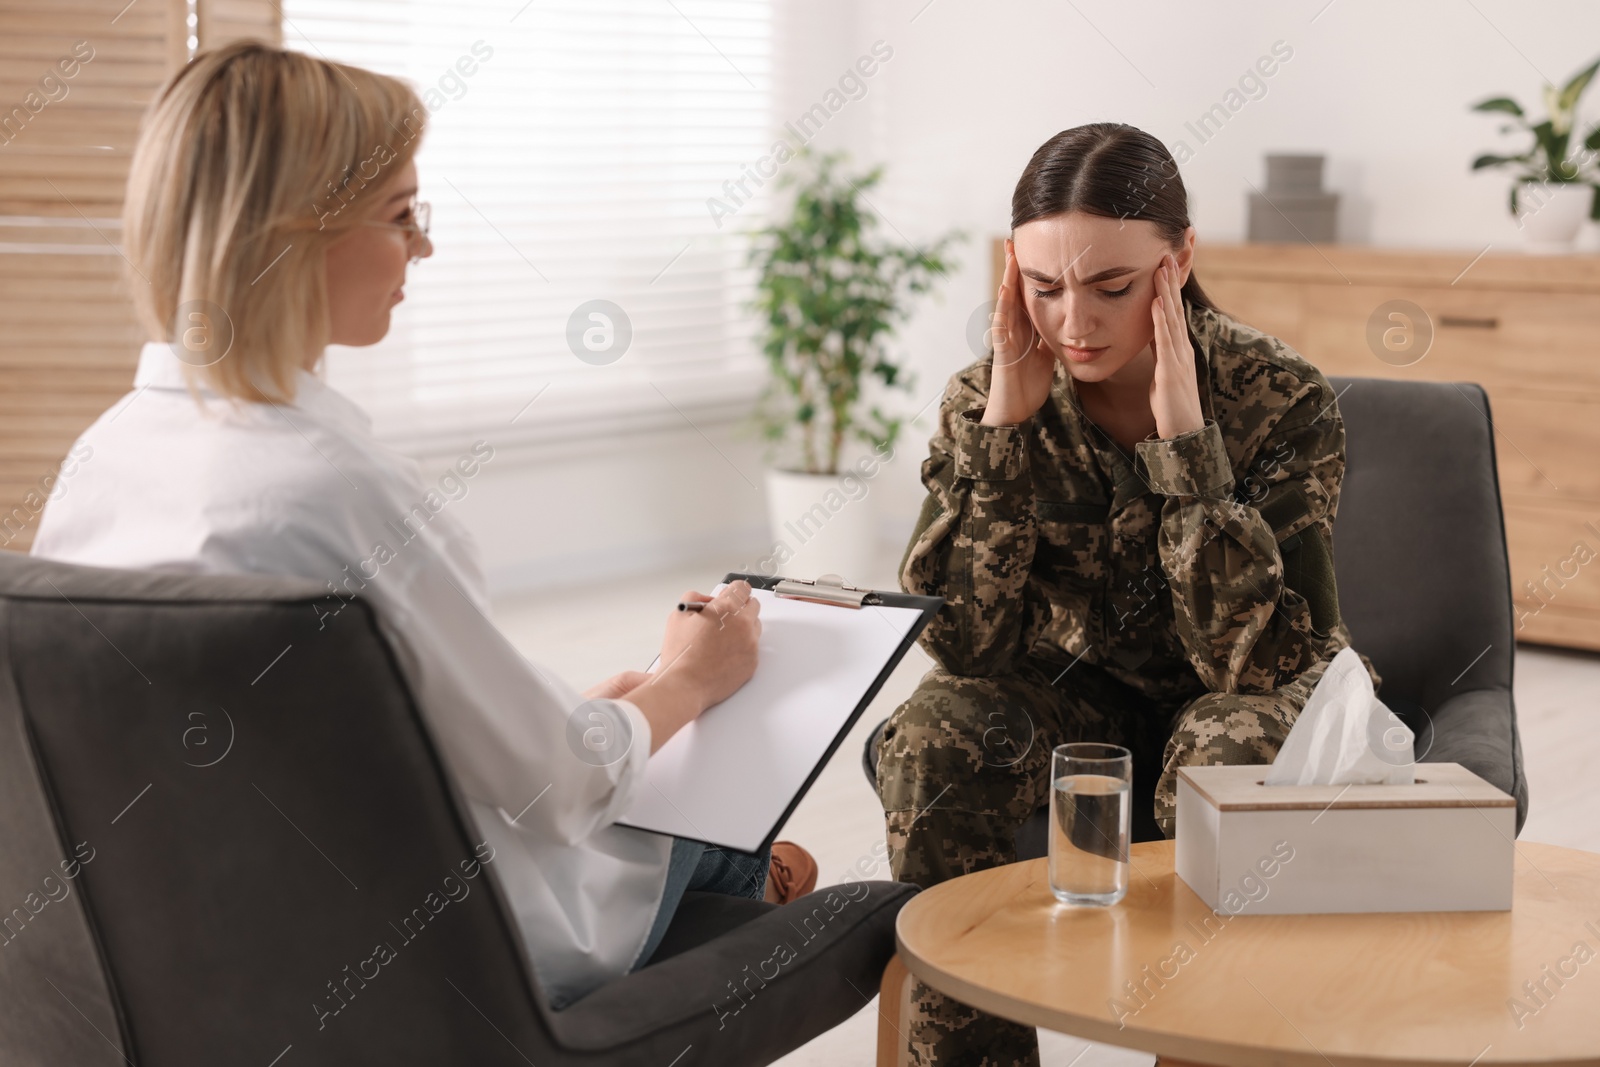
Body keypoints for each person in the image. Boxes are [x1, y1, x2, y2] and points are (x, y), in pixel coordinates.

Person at [29, 40, 816, 1012]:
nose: (425, 248)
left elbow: (298, 740)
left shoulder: (101, 458)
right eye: (402, 215)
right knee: (734, 770)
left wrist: (587, 713)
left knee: (638, 740)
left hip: (197, 960)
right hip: (441, 958)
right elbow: (556, 784)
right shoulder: (334, 488)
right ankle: (767, 894)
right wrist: (690, 679)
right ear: (289, 234)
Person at [873, 122, 1382, 1065]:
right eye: (1043, 286)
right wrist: (1003, 444)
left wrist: (1190, 454)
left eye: (1111, 287)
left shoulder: (1282, 398)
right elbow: (968, 650)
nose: (1074, 322)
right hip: (1080, 699)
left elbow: (1256, 659)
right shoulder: (985, 399)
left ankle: (1205, 1041)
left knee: (1220, 747)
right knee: (933, 734)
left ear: (1179, 259)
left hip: (1247, 696)